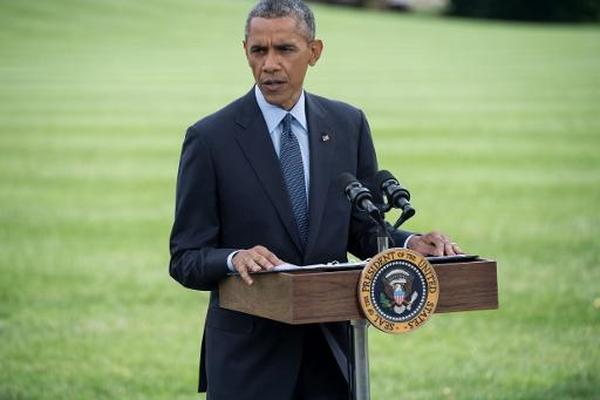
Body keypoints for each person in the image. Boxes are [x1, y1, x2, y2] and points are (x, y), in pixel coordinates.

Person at [169, 1, 461, 399]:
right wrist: (233, 260)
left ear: (314, 51)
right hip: (249, 364)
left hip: (332, 355)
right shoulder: (210, 139)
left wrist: (411, 244)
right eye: (259, 50)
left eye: (285, 49)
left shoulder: (348, 124)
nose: (270, 64)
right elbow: (185, 256)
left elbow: (362, 229)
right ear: (246, 52)